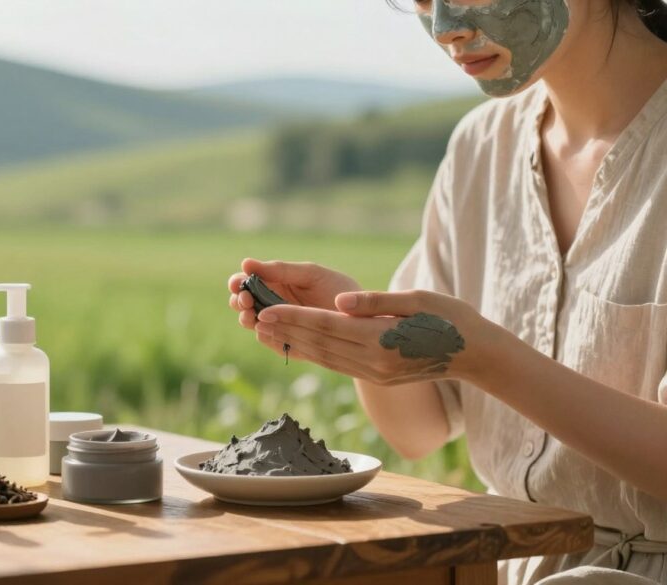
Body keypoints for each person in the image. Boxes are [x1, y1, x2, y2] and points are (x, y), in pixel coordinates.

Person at [228, 1, 667, 584]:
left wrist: (485, 358)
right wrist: (352, 330)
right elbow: (419, 429)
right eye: (422, 2)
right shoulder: (481, 148)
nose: (445, 29)